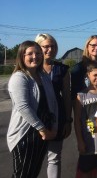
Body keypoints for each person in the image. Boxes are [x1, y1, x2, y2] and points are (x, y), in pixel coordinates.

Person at [7, 41, 58, 178]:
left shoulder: (43, 76)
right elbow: (23, 107)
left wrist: (54, 126)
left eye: (37, 53)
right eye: (30, 53)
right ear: (22, 56)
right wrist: (42, 129)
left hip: (42, 134)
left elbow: (52, 103)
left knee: (33, 173)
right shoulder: (19, 77)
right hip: (25, 134)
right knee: (22, 174)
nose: (35, 56)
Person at [35, 33, 72, 178]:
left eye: (52, 46)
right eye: (45, 46)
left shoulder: (62, 69)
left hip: (57, 117)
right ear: (38, 47)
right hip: (36, 117)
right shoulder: (31, 68)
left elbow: (67, 97)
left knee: (54, 158)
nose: (49, 49)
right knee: (33, 158)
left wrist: (68, 121)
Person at [74, 61, 97, 178]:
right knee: (86, 171)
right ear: (88, 75)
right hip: (88, 140)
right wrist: (80, 141)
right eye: (95, 75)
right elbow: (77, 120)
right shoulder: (81, 95)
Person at [71, 35, 97, 100]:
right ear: (87, 47)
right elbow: (74, 92)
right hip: (86, 106)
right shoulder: (79, 68)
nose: (96, 48)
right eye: (93, 45)